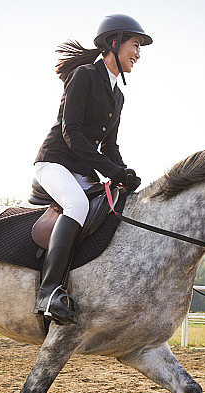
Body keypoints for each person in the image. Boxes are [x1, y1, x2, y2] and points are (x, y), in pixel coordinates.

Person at [32, 14, 152, 325]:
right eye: (135, 45)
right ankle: (48, 293)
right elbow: (72, 130)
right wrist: (109, 169)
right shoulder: (85, 75)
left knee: (115, 208)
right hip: (55, 161)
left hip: (83, 168)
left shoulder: (118, 95)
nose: (138, 53)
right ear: (114, 42)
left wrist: (123, 172)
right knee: (78, 204)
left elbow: (108, 145)